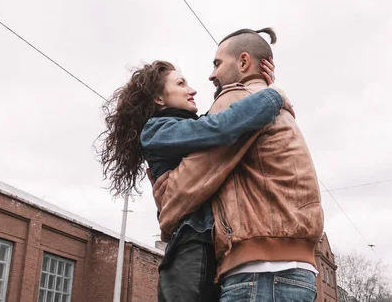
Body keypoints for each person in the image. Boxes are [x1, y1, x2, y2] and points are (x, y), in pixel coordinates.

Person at [98, 59, 293, 302]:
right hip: (189, 252)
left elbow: (225, 120)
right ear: (159, 98)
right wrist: (272, 96)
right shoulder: (157, 130)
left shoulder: (188, 126)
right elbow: (221, 127)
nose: (192, 90)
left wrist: (256, 86)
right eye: (181, 83)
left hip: (211, 251)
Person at [153, 28, 325, 302]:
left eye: (217, 63)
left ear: (243, 62)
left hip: (260, 273)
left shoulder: (236, 97)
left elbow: (187, 185)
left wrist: (164, 206)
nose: (211, 75)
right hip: (296, 271)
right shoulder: (265, 100)